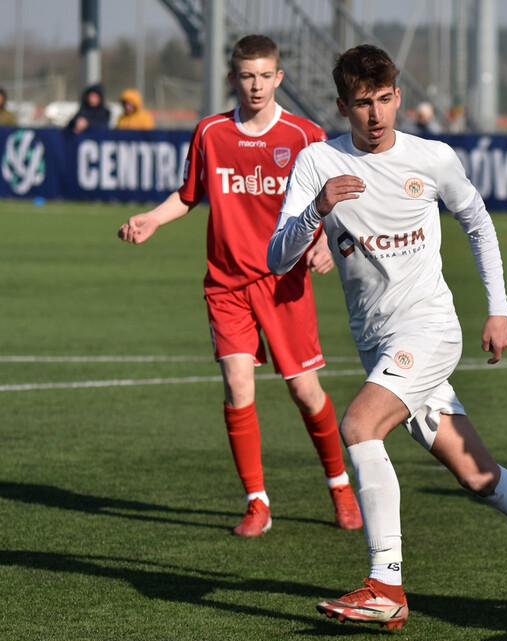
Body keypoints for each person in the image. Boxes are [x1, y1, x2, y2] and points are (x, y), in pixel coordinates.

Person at [267, 44, 507, 630]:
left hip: (429, 327)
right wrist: (315, 212)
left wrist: (497, 310)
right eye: (361, 105)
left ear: (398, 97)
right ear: (343, 105)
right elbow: (277, 257)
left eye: (383, 101)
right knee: (478, 475)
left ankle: (385, 587)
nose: (374, 116)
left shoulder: (434, 158)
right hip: (377, 341)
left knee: (358, 425)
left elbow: (478, 222)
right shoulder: (317, 163)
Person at [117, 35, 361, 537]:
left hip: (284, 283)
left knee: (305, 391)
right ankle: (257, 502)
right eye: (246, 75)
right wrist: (154, 220)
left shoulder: (306, 135)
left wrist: (326, 245)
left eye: (264, 75)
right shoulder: (210, 132)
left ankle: (339, 487)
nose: (255, 85)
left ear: (279, 78)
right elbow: (189, 195)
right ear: (233, 78)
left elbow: (338, 201)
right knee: (236, 385)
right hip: (226, 285)